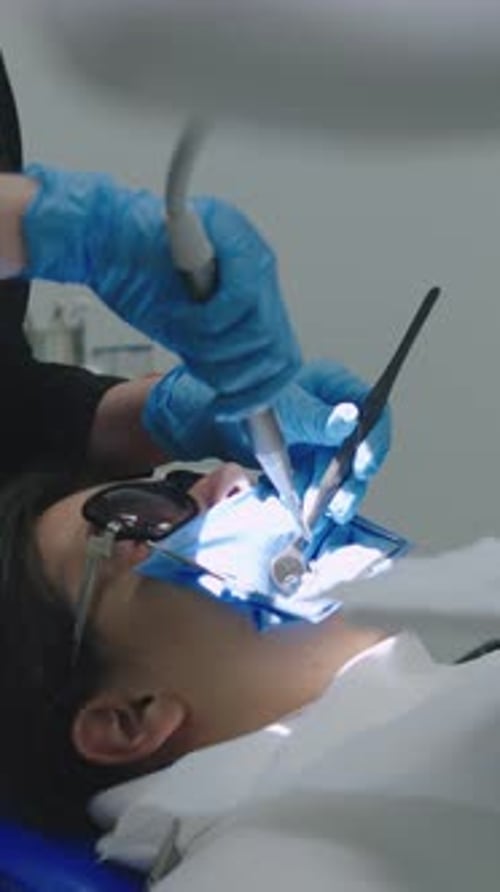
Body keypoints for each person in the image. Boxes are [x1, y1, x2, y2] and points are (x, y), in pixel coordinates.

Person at [1, 459, 500, 892]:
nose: (232, 477)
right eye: (136, 519)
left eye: (182, 482)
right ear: (129, 718)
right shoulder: (271, 871)